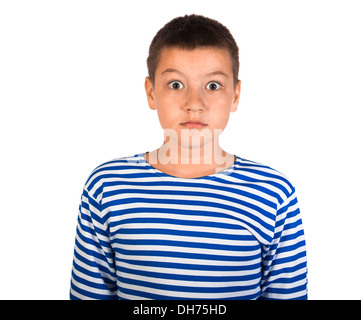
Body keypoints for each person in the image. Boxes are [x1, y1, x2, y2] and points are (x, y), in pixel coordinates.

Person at [70, 14, 308, 300]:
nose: (194, 104)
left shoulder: (273, 193)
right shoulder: (107, 187)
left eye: (213, 86)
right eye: (175, 85)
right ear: (151, 93)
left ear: (235, 96)